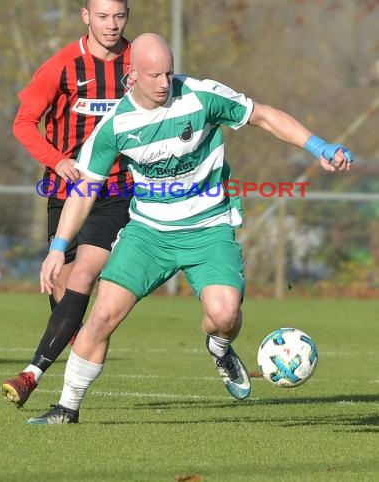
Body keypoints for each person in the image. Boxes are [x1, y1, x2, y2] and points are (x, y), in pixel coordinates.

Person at [27, 33, 354, 425]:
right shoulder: (115, 126)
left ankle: (219, 347)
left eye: (169, 71)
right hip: (147, 234)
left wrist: (320, 148)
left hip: (208, 229)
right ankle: (66, 408)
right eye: (154, 75)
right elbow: (84, 190)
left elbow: (265, 115)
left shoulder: (201, 96)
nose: (165, 82)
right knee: (101, 317)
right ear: (132, 76)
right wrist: (59, 247)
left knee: (225, 315)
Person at [1, 0, 133, 408]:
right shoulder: (62, 65)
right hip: (66, 190)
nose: (111, 24)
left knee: (82, 275)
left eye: (118, 15)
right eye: (102, 16)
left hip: (117, 191)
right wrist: (57, 159)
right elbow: (23, 123)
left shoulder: (140, 63)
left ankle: (38, 377)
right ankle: (80, 346)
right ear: (85, 15)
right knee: (60, 285)